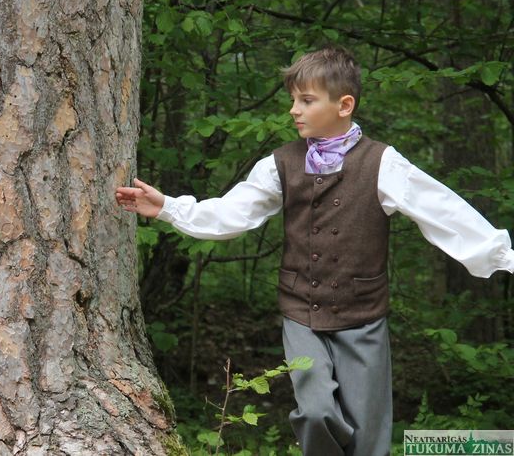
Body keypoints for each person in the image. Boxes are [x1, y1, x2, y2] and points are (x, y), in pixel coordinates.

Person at [115, 46, 514, 456]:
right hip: (302, 313)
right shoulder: (281, 164)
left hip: (363, 316)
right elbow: (232, 213)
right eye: (293, 99)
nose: (294, 110)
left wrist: (504, 256)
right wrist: (167, 208)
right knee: (316, 412)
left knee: (368, 437)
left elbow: (443, 211)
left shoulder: (383, 164)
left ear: (344, 105)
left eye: (306, 100)